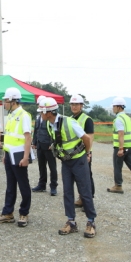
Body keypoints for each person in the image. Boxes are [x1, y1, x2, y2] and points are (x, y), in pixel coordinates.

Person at [39, 97, 96, 238]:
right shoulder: (49, 124)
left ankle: (91, 222)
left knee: (85, 191)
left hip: (79, 161)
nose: (40, 114)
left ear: (49, 112)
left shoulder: (69, 122)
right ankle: (71, 222)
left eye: (42, 112)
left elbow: (87, 139)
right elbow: (58, 139)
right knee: (67, 192)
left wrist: (87, 154)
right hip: (66, 162)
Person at [0, 87, 33, 228]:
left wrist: (26, 157)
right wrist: (5, 154)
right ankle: (8, 213)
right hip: (10, 155)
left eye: (6, 100)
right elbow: (9, 137)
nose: (4, 103)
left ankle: (24, 213)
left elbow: (28, 138)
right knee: (10, 185)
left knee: (23, 185)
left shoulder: (24, 115)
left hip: (20, 155)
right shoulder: (10, 116)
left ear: (13, 100)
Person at [69, 95, 95, 209]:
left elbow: (90, 137)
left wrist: (88, 153)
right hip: (73, 153)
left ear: (81, 106)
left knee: (86, 176)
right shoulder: (70, 119)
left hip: (84, 152)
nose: (74, 107)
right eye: (72, 104)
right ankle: (81, 198)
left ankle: (88, 200)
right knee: (77, 177)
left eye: (76, 104)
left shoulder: (87, 119)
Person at [32, 94, 58, 196]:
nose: (39, 106)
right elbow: (36, 130)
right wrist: (34, 142)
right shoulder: (38, 116)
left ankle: (53, 186)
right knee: (41, 166)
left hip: (48, 146)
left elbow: (55, 132)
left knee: (52, 167)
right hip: (40, 145)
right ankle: (42, 185)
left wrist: (52, 143)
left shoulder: (50, 118)